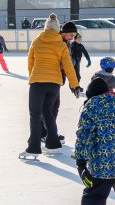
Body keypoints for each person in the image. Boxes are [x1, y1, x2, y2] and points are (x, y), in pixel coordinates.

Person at [19, 14, 82, 160]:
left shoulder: (37, 41)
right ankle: (53, 145)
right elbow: (68, 66)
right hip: (54, 84)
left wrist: (33, 76)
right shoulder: (61, 44)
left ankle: (33, 148)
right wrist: (75, 85)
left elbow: (30, 62)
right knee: (48, 113)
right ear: (58, 29)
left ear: (46, 27)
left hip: (38, 82)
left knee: (35, 115)